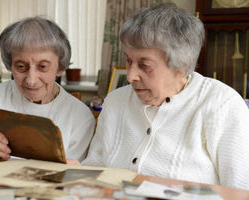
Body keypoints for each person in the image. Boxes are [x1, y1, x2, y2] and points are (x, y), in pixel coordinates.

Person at [83, 4, 249, 190]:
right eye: (129, 61)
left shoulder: (222, 105)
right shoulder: (115, 101)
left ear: (182, 65)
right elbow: (93, 170)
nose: (130, 76)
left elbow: (241, 190)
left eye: (145, 65)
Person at [0, 17, 95, 165]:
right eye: (21, 67)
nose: (31, 80)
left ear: (59, 67)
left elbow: (70, 181)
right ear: (10, 64)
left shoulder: (80, 116)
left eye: (43, 67)